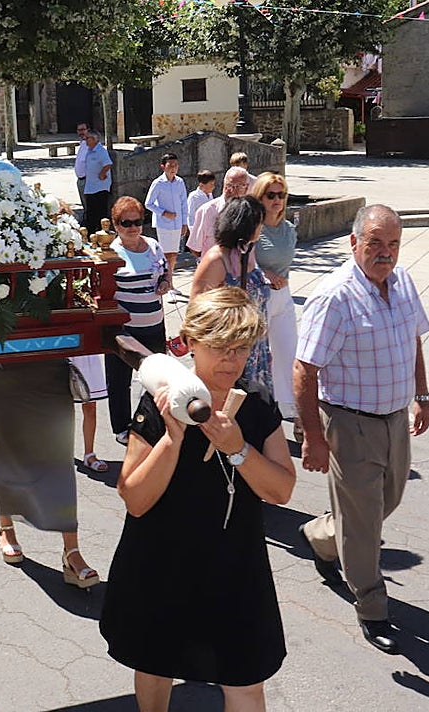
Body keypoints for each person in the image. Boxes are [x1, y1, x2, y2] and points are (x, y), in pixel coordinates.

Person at [100, 286, 295, 712]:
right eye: (221, 347)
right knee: (155, 665)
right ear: (190, 344)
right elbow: (134, 498)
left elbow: (281, 489)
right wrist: (172, 437)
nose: (232, 360)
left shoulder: (257, 401)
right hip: (163, 558)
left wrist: (238, 447)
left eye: (242, 348)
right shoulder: (159, 403)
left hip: (234, 561)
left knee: (246, 677)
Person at [294, 204, 429, 656]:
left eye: (393, 244)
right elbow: (304, 369)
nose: (385, 253)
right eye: (375, 243)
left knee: (383, 502)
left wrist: (423, 395)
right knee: (365, 521)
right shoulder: (334, 295)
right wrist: (313, 437)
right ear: (354, 243)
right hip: (349, 422)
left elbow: (412, 338)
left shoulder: (403, 282)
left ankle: (322, 536)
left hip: (393, 418)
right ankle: (372, 606)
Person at [0, 355, 100, 588]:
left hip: (51, 365)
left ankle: (71, 551)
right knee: (5, 452)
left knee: (59, 459)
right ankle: (6, 527)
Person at [104, 196, 170, 445]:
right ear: (116, 224)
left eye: (137, 221)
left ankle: (151, 422)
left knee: (156, 379)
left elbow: (165, 270)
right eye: (126, 222)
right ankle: (121, 428)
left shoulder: (153, 245)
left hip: (154, 323)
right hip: (125, 328)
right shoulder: (112, 252)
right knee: (120, 382)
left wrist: (164, 282)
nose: (133, 227)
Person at [191, 196, 273, 397]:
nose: (261, 228)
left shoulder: (246, 252)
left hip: (254, 348)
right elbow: (197, 310)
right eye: (259, 223)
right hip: (228, 351)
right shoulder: (216, 259)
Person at [252, 173, 299, 427]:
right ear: (260, 197)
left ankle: (291, 407)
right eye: (271, 195)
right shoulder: (253, 229)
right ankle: (258, 407)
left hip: (283, 297)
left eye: (281, 195)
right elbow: (240, 261)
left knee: (289, 352)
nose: (277, 200)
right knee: (258, 355)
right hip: (259, 297)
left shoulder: (289, 229)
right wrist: (264, 273)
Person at [144, 151, 189, 285]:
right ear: (163, 167)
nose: (173, 168)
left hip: (177, 223)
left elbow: (184, 203)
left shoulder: (180, 182)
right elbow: (148, 203)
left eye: (176, 165)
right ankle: (164, 280)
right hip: (163, 223)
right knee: (165, 254)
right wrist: (163, 213)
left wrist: (184, 223)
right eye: (170, 165)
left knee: (174, 254)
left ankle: (170, 280)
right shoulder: (158, 183)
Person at [187, 166, 251, 257]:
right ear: (224, 186)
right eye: (230, 186)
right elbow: (195, 248)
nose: (234, 191)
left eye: (240, 186)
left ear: (247, 188)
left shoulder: (251, 212)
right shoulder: (206, 211)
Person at [69, 354, 109, 473]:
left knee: (90, 406)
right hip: (62, 349)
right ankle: (60, 455)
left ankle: (89, 455)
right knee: (62, 409)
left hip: (86, 354)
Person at [80, 131, 113, 232]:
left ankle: (100, 234)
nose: (85, 141)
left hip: (100, 187)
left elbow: (107, 164)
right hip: (90, 187)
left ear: (95, 139)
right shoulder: (89, 150)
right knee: (90, 213)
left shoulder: (100, 151)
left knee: (100, 213)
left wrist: (102, 174)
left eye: (88, 138)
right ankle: (91, 234)